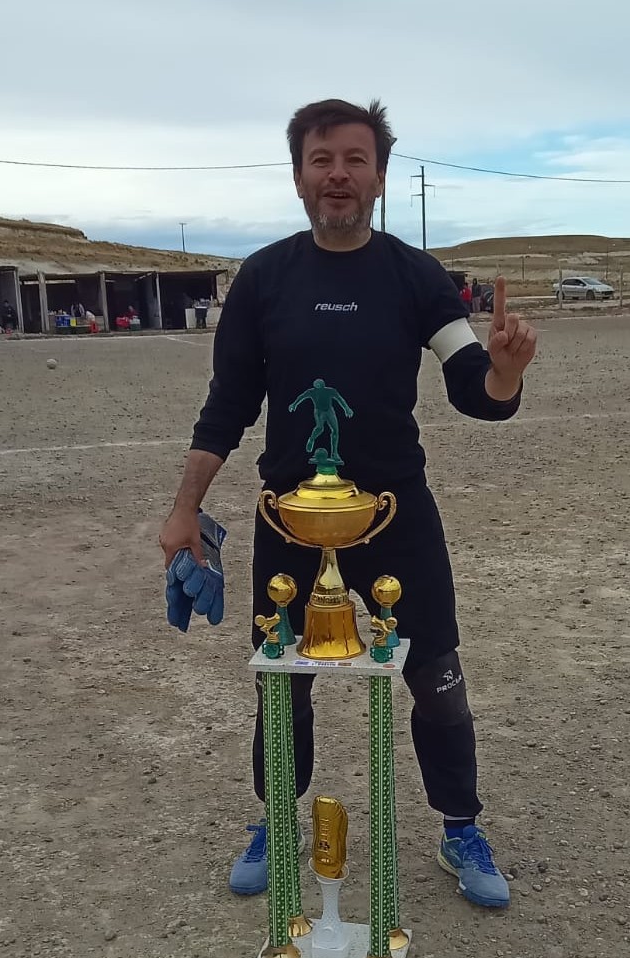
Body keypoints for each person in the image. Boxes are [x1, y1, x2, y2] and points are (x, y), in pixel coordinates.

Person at [159, 98, 537, 909]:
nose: (338, 175)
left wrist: (504, 373)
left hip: (397, 518)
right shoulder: (263, 279)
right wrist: (185, 507)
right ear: (299, 176)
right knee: (280, 682)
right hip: (288, 520)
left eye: (355, 160)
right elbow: (228, 404)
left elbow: (472, 387)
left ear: (379, 177)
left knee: (437, 676)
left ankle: (460, 826)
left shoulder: (417, 277)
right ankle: (277, 820)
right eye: (322, 159)